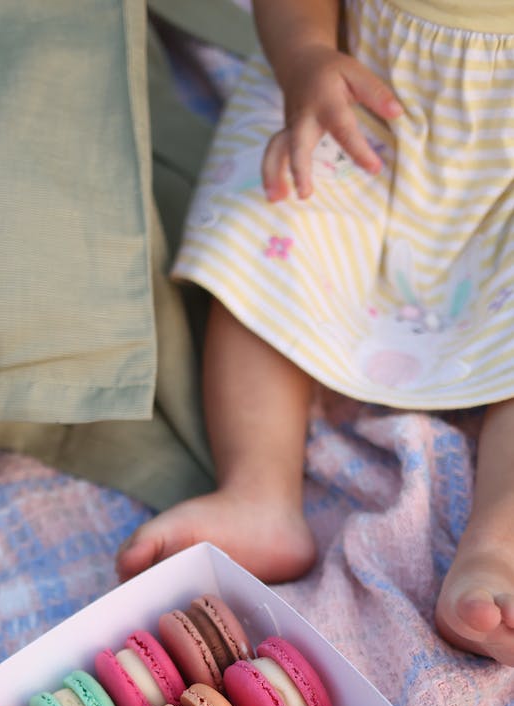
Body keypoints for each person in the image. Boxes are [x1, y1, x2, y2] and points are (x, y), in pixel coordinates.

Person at [116, 0, 514, 667]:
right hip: (354, 114)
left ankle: (497, 546)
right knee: (264, 224)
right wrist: (304, 57)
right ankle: (258, 491)